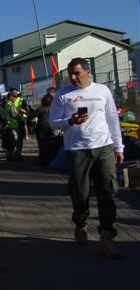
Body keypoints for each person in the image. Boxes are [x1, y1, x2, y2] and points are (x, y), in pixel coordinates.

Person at [50, 58, 124, 259]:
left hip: (103, 147)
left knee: (107, 191)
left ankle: (106, 236)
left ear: (87, 71)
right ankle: (80, 222)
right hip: (76, 150)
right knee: (80, 193)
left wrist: (118, 147)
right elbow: (53, 122)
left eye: (77, 73)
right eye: (70, 74)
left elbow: (112, 119)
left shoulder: (102, 90)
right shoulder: (63, 94)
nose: (73, 78)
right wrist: (70, 121)